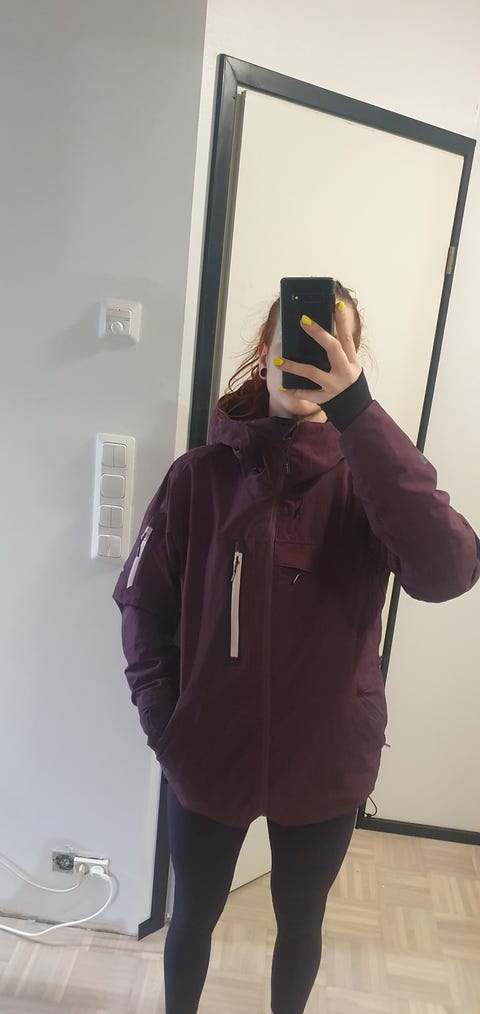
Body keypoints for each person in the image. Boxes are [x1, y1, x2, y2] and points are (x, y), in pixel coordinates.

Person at [113, 282, 480, 1014]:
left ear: (353, 360)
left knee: (301, 923)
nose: (309, 356)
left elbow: (448, 572)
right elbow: (140, 606)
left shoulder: (368, 485)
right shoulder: (198, 477)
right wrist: (165, 724)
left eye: (330, 343)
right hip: (206, 753)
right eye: (296, 338)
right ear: (265, 350)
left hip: (326, 759)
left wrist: (361, 415)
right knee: (192, 917)